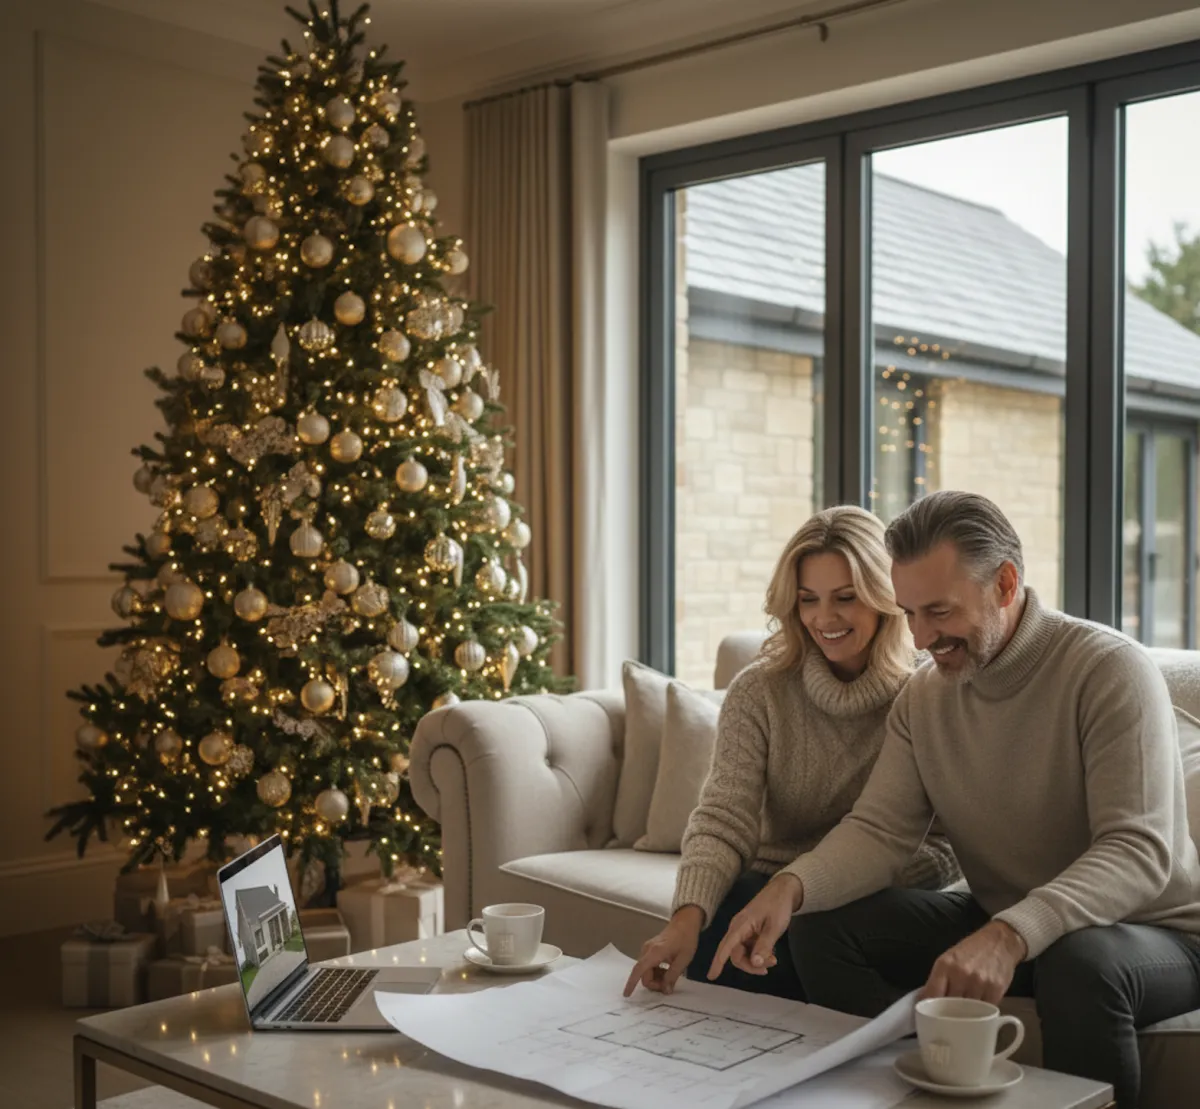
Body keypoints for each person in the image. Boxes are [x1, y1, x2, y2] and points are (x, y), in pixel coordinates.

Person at [706, 490, 1200, 1107]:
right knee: (820, 929)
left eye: (938, 611)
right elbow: (881, 832)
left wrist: (1008, 935)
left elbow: (1138, 851)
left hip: (1152, 934)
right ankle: (910, 1091)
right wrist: (789, 889)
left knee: (1083, 962)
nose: (920, 636)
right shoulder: (925, 696)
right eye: (909, 612)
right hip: (1008, 918)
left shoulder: (1107, 670)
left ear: (1005, 583)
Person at [623, 506, 960, 1002]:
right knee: (729, 919)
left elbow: (947, 847)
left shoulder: (928, 695)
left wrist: (824, 885)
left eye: (845, 598)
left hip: (871, 898)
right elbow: (722, 819)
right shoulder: (759, 691)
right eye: (808, 600)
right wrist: (684, 918)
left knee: (820, 932)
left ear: (885, 598)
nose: (824, 618)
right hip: (763, 887)